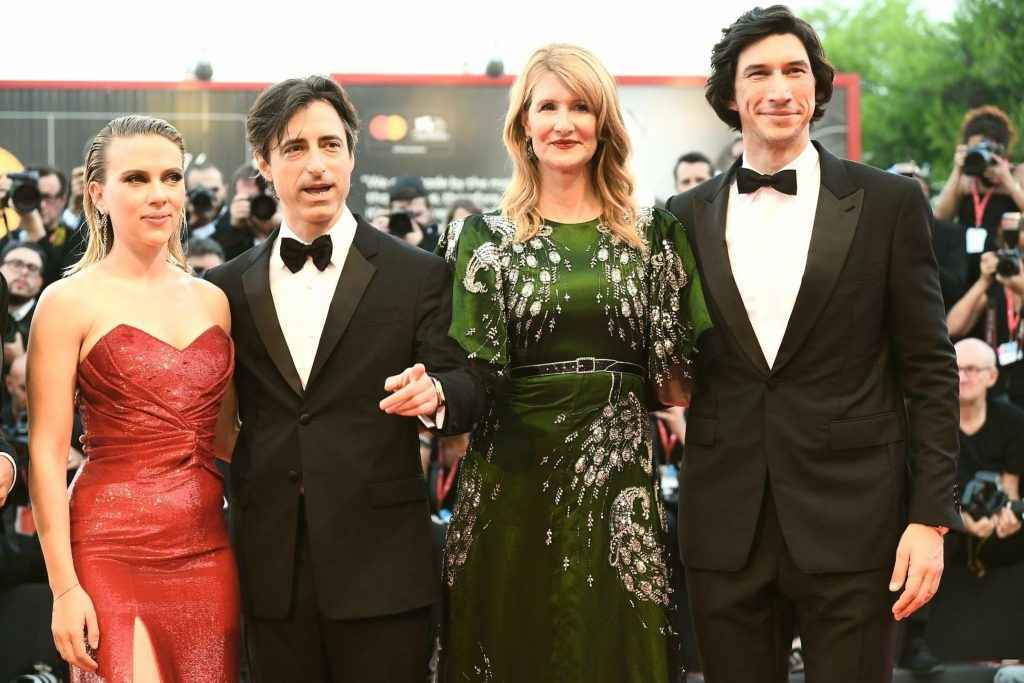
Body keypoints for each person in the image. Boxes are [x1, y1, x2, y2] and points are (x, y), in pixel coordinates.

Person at [665, 7, 959, 682]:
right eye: (759, 74)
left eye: (794, 71)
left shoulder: (888, 203)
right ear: (729, 95)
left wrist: (930, 519)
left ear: (816, 87)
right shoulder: (681, 217)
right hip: (725, 528)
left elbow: (930, 370)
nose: (779, 89)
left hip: (856, 522)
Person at [436, 44, 710, 682]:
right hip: (509, 475)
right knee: (512, 642)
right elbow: (472, 373)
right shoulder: (481, 238)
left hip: (617, 483)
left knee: (614, 646)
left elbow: (676, 381)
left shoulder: (655, 234)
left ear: (604, 122)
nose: (564, 123)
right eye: (548, 107)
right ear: (523, 124)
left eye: (581, 107)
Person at [205, 75, 486, 682]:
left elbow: (468, 385)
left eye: (331, 145)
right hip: (270, 568)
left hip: (382, 564)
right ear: (264, 164)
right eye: (295, 148)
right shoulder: (224, 287)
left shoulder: (418, 274)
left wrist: (436, 394)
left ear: (352, 156)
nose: (317, 165)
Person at [27, 114, 240, 681]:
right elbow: (46, 454)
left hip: (207, 548)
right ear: (97, 193)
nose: (159, 195)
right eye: (136, 179)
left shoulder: (214, 301)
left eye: (171, 177)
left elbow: (227, 438)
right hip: (109, 547)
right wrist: (64, 586)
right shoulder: (66, 301)